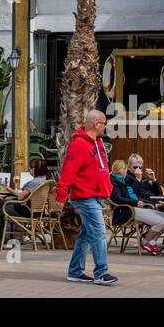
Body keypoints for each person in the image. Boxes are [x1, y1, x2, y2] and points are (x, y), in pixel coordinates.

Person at [56, 109, 117, 286]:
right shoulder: (80, 144)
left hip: (95, 196)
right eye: (104, 123)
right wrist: (61, 195)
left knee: (86, 235)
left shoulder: (97, 142)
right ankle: (101, 273)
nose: (106, 127)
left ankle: (75, 271)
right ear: (96, 124)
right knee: (98, 234)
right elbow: (68, 171)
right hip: (85, 197)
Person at [124, 154, 164, 255]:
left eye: (140, 167)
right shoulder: (128, 179)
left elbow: (159, 194)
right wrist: (138, 180)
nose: (138, 169)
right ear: (129, 167)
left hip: (155, 205)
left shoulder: (145, 179)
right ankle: (147, 242)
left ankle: (153, 242)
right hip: (142, 207)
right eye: (135, 167)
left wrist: (154, 180)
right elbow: (132, 196)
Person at [109, 158, 164, 255]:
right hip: (127, 211)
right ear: (123, 170)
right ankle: (145, 242)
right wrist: (136, 203)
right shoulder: (114, 182)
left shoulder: (124, 180)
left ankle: (151, 243)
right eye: (126, 169)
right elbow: (117, 199)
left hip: (137, 207)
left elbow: (139, 195)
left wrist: (151, 202)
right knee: (161, 221)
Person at [0, 157, 51, 246]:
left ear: (37, 169)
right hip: (36, 211)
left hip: (26, 210)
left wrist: (9, 190)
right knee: (0, 205)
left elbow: (21, 197)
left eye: (31, 167)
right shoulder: (44, 180)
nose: (29, 169)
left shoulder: (35, 182)